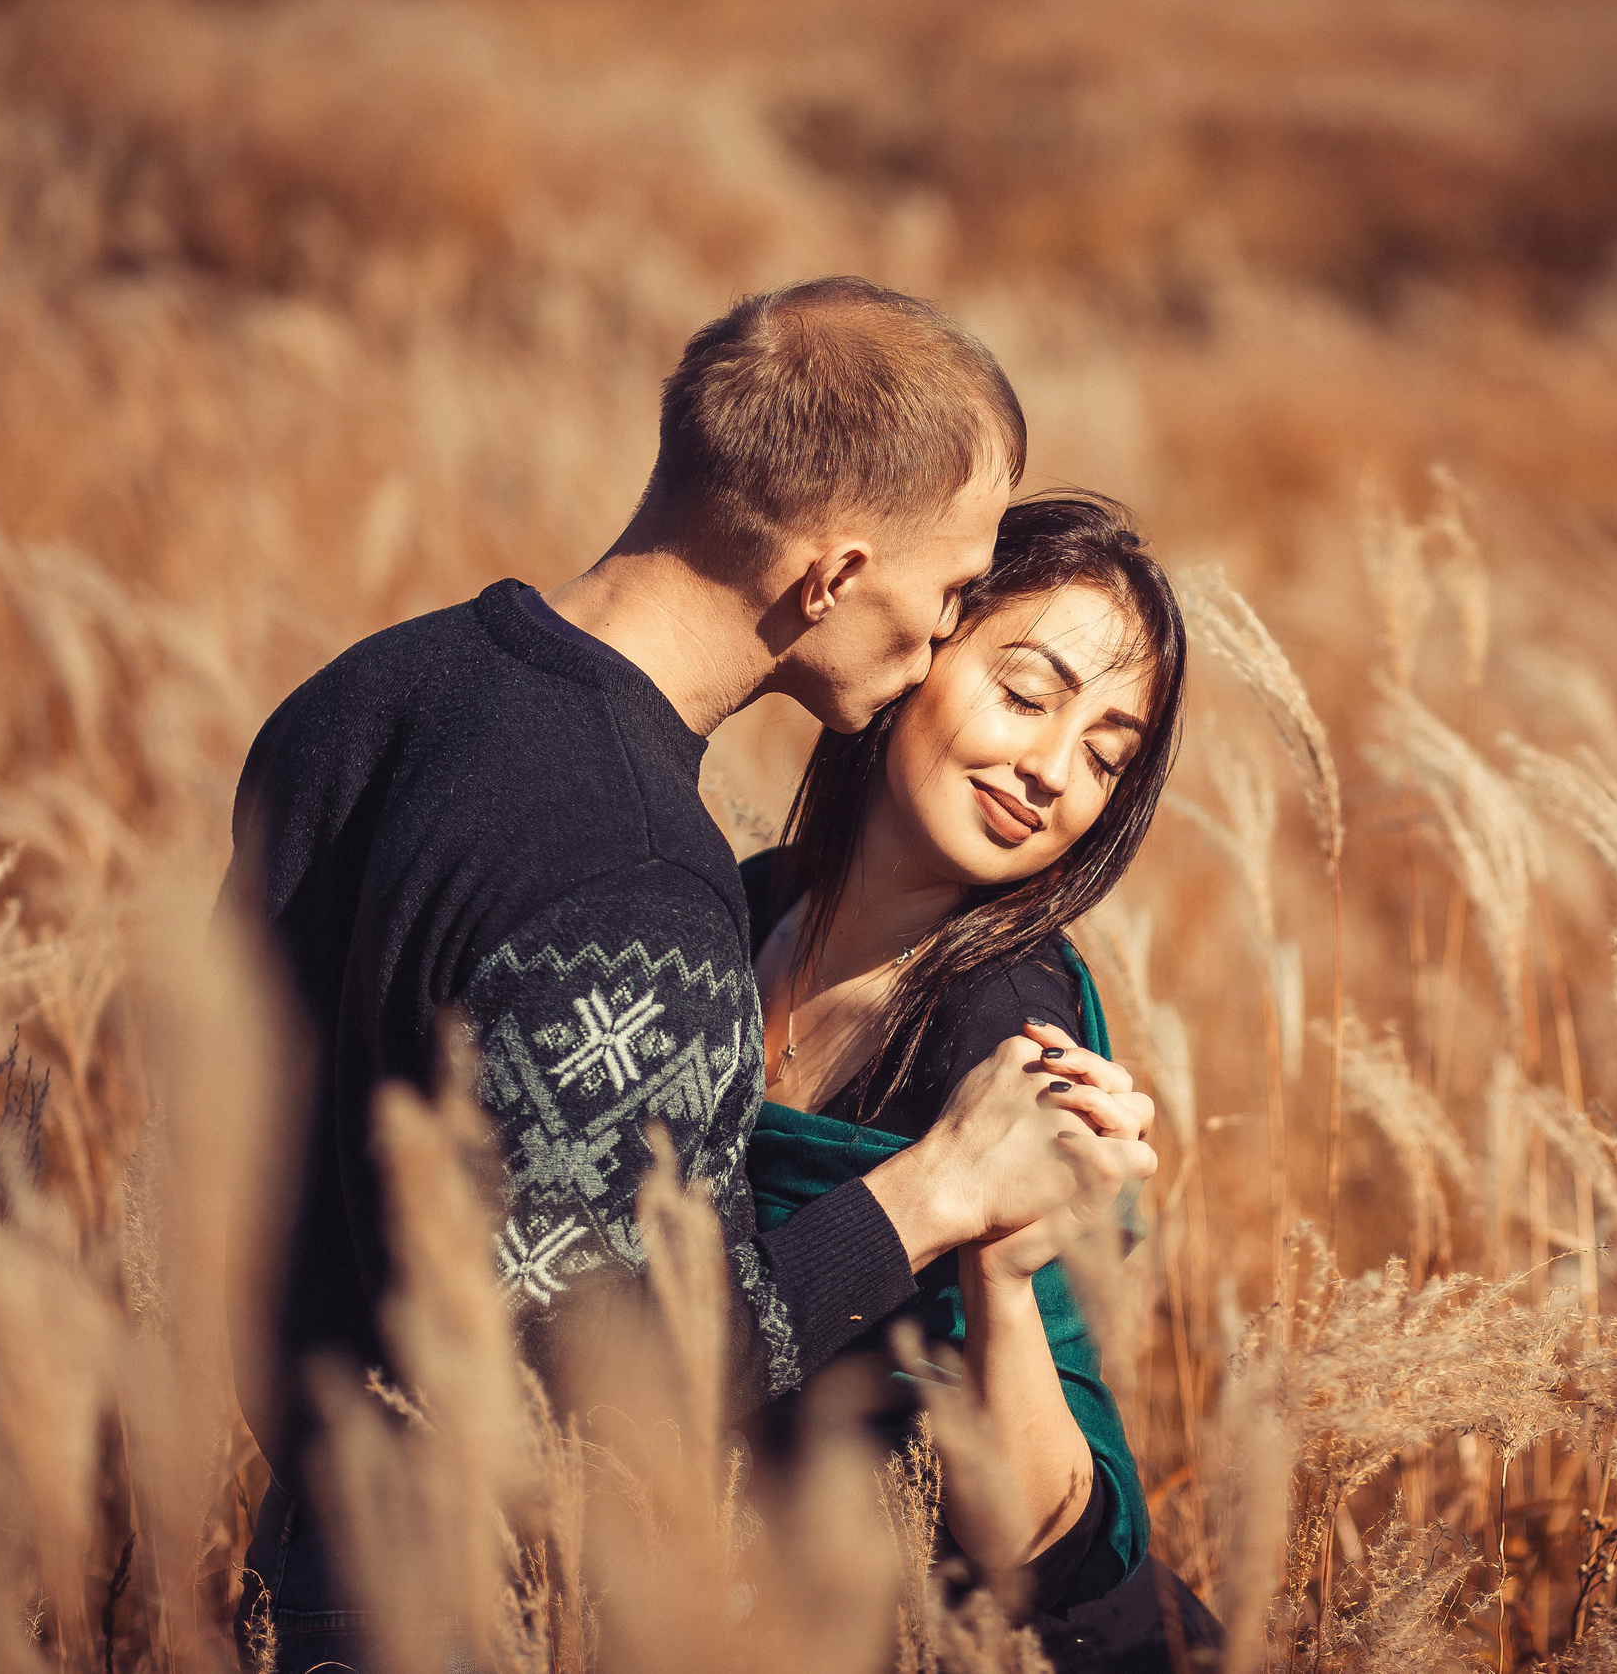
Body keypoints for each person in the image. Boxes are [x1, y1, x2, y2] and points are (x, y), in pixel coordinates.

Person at [222, 278, 1158, 1668]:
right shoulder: (647, 888)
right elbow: (611, 1376)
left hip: (312, 1552)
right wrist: (934, 1190)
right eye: (954, 595)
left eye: (1109, 748)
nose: (933, 638)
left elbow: (237, 1122)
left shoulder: (364, 696)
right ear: (834, 576)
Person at [740, 492, 1221, 1666]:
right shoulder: (740, 905)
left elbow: (1041, 1547)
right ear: (917, 642)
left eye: (1107, 756)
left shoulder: (1003, 1033)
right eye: (1027, 694)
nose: (1055, 770)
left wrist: (1005, 1286)